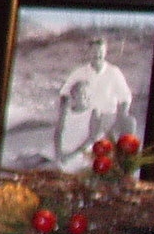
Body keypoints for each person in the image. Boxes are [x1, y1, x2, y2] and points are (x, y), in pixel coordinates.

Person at [53, 35, 134, 169]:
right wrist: (65, 113)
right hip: (86, 117)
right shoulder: (79, 72)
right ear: (89, 52)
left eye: (101, 52)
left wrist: (121, 115)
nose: (97, 55)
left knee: (129, 122)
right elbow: (64, 93)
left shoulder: (114, 72)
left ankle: (121, 164)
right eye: (94, 51)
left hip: (108, 117)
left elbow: (125, 97)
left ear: (105, 52)